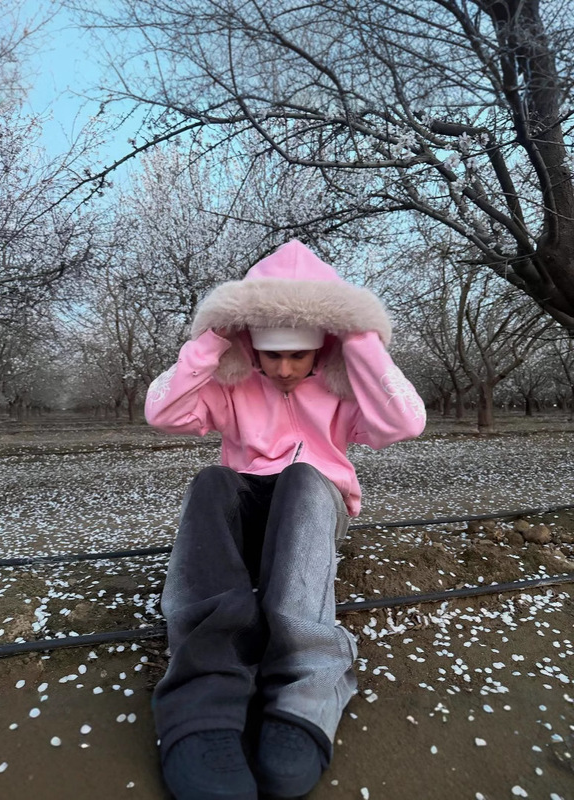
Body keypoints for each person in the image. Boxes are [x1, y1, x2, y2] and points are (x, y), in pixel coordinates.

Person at [145, 240, 426, 800]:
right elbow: (163, 411)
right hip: (246, 508)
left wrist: (359, 337)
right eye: (271, 355)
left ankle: (306, 690)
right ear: (251, 343)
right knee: (210, 481)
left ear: (323, 345)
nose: (284, 369)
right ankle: (204, 694)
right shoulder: (233, 382)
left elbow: (406, 421)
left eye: (299, 355)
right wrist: (214, 336)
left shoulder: (344, 387)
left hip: (311, 507)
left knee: (303, 477)